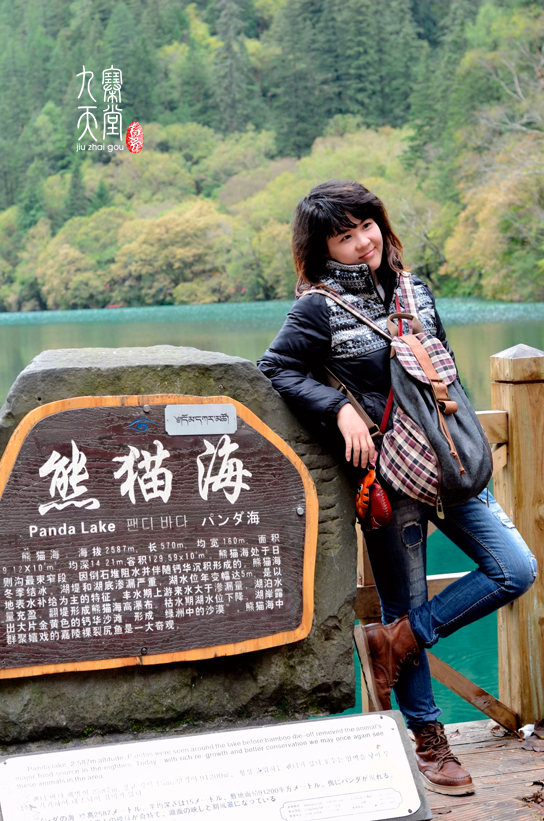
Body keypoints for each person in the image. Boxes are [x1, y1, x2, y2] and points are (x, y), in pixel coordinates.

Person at [257, 179, 537, 796]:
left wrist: (463, 439)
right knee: (400, 601)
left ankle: (395, 642)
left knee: (516, 568)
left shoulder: (416, 291)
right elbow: (274, 368)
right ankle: (431, 741)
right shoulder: (317, 309)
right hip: (388, 479)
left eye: (367, 225)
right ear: (322, 249)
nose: (364, 242)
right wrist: (339, 409)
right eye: (345, 235)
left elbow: (443, 374)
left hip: (450, 466)